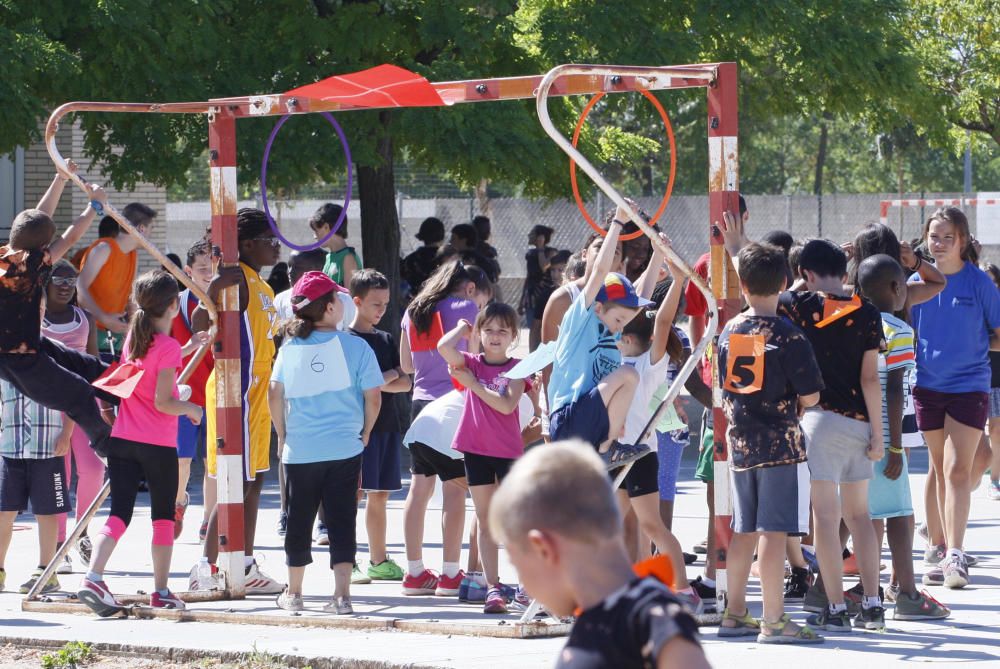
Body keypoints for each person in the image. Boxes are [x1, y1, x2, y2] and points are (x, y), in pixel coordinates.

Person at [719, 214, 887, 633]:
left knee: (825, 521)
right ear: (845, 272)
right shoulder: (868, 312)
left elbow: (760, 288)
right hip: (859, 423)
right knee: (861, 517)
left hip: (812, 425)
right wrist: (879, 435)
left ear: (804, 275)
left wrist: (738, 246)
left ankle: (834, 605)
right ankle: (872, 601)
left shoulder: (800, 309)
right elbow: (871, 378)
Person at [490, 442, 709, 669]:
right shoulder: (595, 624)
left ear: (544, 549)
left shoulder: (652, 620)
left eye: (520, 569)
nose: (526, 588)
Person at [715, 242, 825, 644]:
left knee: (744, 530)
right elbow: (811, 395)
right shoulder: (788, 334)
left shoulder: (728, 330)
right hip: (780, 446)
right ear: (783, 281)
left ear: (741, 284)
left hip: (741, 442)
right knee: (774, 532)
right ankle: (775, 619)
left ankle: (735, 611)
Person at [77, 271, 204, 616]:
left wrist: (187, 349)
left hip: (123, 440)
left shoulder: (136, 335)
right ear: (175, 306)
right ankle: (161, 591)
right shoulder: (168, 346)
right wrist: (191, 408)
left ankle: (93, 577)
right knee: (163, 519)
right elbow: (164, 401)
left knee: (118, 514)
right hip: (157, 444)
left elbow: (148, 371)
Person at [269, 272, 383, 614]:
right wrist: (365, 431)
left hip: (300, 449)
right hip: (345, 448)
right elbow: (374, 397)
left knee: (299, 520)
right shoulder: (357, 346)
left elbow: (274, 393)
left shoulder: (290, 348)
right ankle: (342, 596)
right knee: (341, 520)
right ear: (332, 307)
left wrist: (282, 432)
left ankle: (295, 593)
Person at [188, 208, 283, 594]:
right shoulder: (237, 279)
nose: (276, 246)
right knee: (232, 482)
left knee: (256, 479)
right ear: (246, 244)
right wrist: (212, 291)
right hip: (235, 388)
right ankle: (204, 567)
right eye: (269, 240)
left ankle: (244, 564)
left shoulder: (263, 284)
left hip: (259, 389)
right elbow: (199, 320)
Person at [910, 207, 1000, 589]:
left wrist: (975, 348)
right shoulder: (915, 283)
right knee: (938, 469)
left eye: (948, 237)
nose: (940, 244)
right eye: (934, 236)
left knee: (957, 471)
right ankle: (938, 545)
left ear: (963, 241)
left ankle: (955, 556)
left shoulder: (980, 284)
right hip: (927, 387)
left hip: (969, 386)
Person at [856, 254, 950, 620]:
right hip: (882, 438)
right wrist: (895, 446)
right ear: (898, 289)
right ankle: (907, 594)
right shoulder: (898, 330)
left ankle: (825, 589)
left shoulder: (853, 324)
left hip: (852, 431)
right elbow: (893, 389)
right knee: (898, 513)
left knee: (853, 515)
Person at [0, 169, 115, 457]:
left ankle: (133, 393)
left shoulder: (7, 255)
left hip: (30, 344)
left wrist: (60, 178)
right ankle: (108, 446)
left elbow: (36, 219)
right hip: (18, 359)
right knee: (78, 393)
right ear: (41, 246)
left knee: (86, 366)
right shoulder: (33, 264)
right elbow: (71, 236)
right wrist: (95, 205)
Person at [617, 237, 704, 614]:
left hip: (639, 455)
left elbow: (663, 319)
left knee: (652, 527)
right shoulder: (618, 357)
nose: (614, 333)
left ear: (632, 338)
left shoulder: (648, 364)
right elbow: (639, 296)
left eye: (620, 329)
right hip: (616, 454)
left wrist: (680, 279)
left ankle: (683, 590)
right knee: (609, 524)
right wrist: (657, 257)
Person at [399, 259, 491, 597]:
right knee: (455, 490)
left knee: (418, 490)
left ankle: (414, 573)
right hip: (454, 403)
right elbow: (476, 357)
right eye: (482, 301)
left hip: (420, 405)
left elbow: (406, 365)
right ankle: (451, 574)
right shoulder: (465, 307)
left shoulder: (412, 310)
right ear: (470, 290)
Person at [547, 202, 653, 468]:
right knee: (629, 374)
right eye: (618, 319)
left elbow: (642, 298)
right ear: (598, 306)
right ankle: (608, 449)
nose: (620, 327)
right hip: (570, 417)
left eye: (623, 322)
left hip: (590, 423)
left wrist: (659, 254)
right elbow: (598, 273)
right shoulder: (580, 318)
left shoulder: (612, 329)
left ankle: (606, 448)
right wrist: (617, 222)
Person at [438, 302, 526, 614]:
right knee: (487, 522)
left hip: (508, 453)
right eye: (488, 329)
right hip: (475, 452)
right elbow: (442, 347)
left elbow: (505, 405)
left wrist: (473, 384)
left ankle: (528, 585)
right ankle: (493, 588)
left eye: (502, 330)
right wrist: (464, 329)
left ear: (513, 335)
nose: (494, 336)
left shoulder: (518, 368)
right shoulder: (472, 361)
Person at [348, 269, 411, 582]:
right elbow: (357, 387)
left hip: (386, 426)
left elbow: (405, 383)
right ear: (356, 302)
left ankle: (378, 559)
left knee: (380, 495)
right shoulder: (345, 340)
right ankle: (348, 560)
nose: (381, 310)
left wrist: (378, 381)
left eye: (385, 304)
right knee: (352, 494)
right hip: (356, 430)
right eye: (375, 304)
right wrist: (383, 378)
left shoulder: (386, 339)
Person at [43, 261, 103, 573]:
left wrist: (103, 412)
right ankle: (59, 545)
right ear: (45, 282)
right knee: (58, 477)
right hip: (48, 407)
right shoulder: (34, 319)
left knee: (93, 470)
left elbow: (93, 367)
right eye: (59, 280)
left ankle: (82, 532)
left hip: (81, 405)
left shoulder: (85, 319)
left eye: (71, 280)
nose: (66, 285)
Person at [168, 240, 215, 541]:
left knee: (215, 461)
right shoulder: (176, 305)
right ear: (188, 272)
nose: (209, 274)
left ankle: (209, 520)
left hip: (216, 393)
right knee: (182, 460)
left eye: (213, 268)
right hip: (184, 393)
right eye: (202, 270)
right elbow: (165, 349)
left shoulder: (229, 302)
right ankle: (178, 502)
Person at [77, 202, 156, 359]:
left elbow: (130, 298)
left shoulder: (133, 255)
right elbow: (79, 287)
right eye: (151, 229)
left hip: (115, 334)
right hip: (90, 333)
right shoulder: (103, 249)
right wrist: (104, 318)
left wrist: (135, 329)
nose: (151, 235)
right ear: (141, 228)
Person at [309, 203, 361, 287]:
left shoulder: (348, 257)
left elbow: (350, 297)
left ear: (326, 227)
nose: (314, 236)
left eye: (316, 231)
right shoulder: (329, 257)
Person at [521, 225, 555, 341]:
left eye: (532, 233)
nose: (529, 235)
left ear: (541, 237)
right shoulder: (530, 254)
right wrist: (521, 301)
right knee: (534, 328)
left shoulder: (551, 252)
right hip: (531, 298)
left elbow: (544, 266)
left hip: (545, 295)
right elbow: (529, 277)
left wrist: (540, 248)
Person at [401, 217, 446, 301]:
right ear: (442, 235)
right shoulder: (448, 258)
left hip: (416, 302)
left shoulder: (411, 259)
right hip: (443, 303)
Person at [985, 263, 1000, 502]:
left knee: (997, 430)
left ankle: (995, 478)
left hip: (997, 376)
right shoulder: (976, 307)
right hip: (977, 376)